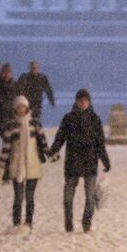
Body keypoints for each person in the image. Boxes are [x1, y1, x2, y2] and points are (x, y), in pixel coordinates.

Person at [49, 89, 110, 233]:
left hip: (90, 162)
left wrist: (105, 160)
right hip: (73, 162)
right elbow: (60, 137)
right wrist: (53, 151)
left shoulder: (95, 119)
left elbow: (100, 143)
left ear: (89, 102)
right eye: (81, 100)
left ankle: (86, 223)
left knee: (90, 198)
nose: (83, 103)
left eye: (85, 100)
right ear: (76, 101)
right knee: (68, 198)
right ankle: (68, 223)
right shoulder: (69, 118)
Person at [0, 95, 51, 233]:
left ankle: (28, 223)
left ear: (27, 107)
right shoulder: (11, 125)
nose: (21, 109)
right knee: (18, 196)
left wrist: (51, 154)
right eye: (19, 106)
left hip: (33, 164)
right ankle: (16, 224)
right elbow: (6, 147)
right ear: (15, 108)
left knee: (30, 196)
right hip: (16, 164)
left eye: (23, 106)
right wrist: (1, 167)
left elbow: (43, 142)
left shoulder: (35, 123)